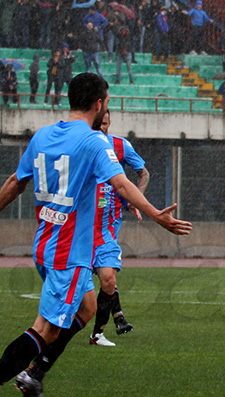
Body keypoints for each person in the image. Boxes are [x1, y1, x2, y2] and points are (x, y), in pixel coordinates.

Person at [0, 73, 192, 397]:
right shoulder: (94, 142)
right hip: (68, 251)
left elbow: (16, 181)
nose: (107, 108)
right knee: (46, 330)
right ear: (98, 104)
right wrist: (156, 214)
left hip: (46, 242)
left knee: (87, 307)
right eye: (107, 102)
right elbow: (121, 184)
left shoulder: (43, 135)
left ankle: (34, 375)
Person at [88, 111, 149, 346]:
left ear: (109, 123)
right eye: (98, 125)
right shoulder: (82, 146)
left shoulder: (120, 146)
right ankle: (118, 316)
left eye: (105, 124)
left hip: (107, 227)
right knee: (78, 295)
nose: (102, 129)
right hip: (80, 227)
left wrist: (135, 198)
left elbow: (143, 173)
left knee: (108, 279)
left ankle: (98, 334)